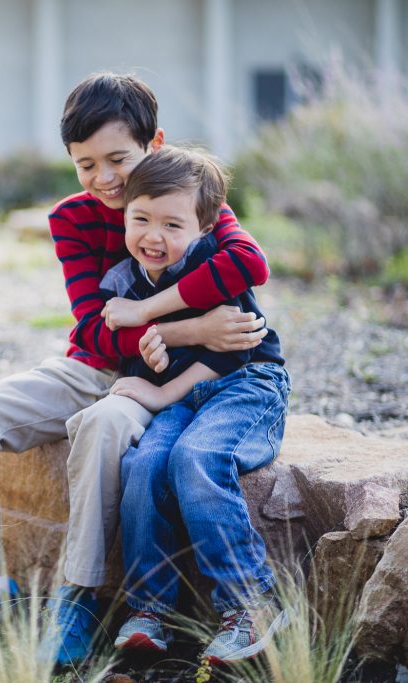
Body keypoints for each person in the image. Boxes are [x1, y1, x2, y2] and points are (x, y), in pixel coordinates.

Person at [0, 73, 270, 667]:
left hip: (153, 381)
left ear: (154, 145)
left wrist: (158, 327)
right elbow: (92, 328)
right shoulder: (71, 220)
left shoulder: (185, 199)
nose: (103, 178)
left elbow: (248, 263)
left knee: (105, 427)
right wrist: (192, 328)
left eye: (117, 159)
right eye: (85, 164)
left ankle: (78, 597)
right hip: (92, 367)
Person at [105, 146, 290, 665]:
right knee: (143, 464)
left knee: (196, 458)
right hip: (188, 397)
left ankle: (252, 604)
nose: (153, 236)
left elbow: (238, 350)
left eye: (172, 224)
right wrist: (148, 356)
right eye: (141, 219)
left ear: (204, 227)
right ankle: (149, 608)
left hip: (246, 384)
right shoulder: (126, 280)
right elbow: (120, 342)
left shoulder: (214, 265)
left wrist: (163, 392)